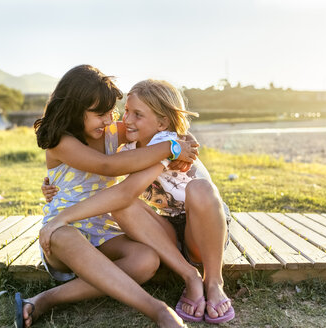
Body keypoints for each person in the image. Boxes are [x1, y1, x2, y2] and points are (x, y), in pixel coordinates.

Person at [16, 65, 199, 328]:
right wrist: (171, 148)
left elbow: (160, 130)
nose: (108, 120)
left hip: (104, 230)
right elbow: (107, 166)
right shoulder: (60, 142)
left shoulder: (111, 131)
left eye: (110, 112)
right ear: (73, 109)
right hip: (62, 230)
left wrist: (184, 140)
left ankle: (47, 299)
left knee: (146, 260)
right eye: (99, 114)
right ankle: (157, 310)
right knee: (66, 235)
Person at [43, 79, 235, 324]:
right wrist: (172, 150)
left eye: (135, 114)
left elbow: (170, 134)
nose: (121, 120)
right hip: (163, 227)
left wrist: (177, 144)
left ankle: (214, 281)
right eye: (125, 112)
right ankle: (189, 278)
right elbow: (106, 168)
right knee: (124, 203)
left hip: (202, 227)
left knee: (200, 189)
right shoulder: (134, 147)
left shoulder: (161, 141)